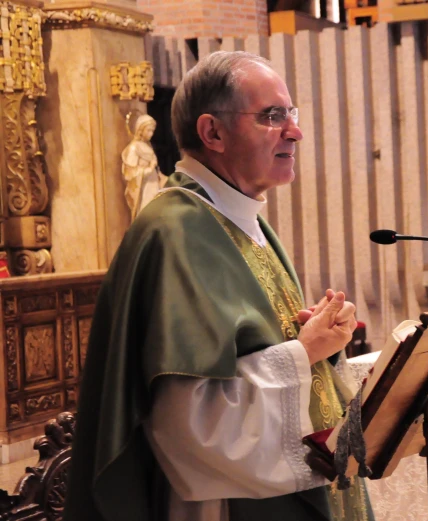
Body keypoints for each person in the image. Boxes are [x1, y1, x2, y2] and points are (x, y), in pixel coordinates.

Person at [64, 51, 374, 521]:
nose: (295, 131)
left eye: (291, 114)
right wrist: (301, 353)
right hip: (229, 502)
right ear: (212, 132)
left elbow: (247, 347)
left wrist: (317, 337)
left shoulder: (239, 217)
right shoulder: (176, 231)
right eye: (272, 116)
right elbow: (190, 422)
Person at [121, 114, 163, 220]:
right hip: (143, 186)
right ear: (140, 130)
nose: (151, 134)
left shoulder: (147, 145)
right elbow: (130, 173)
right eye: (148, 130)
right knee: (146, 212)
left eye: (152, 131)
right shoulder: (134, 148)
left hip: (153, 183)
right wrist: (148, 170)